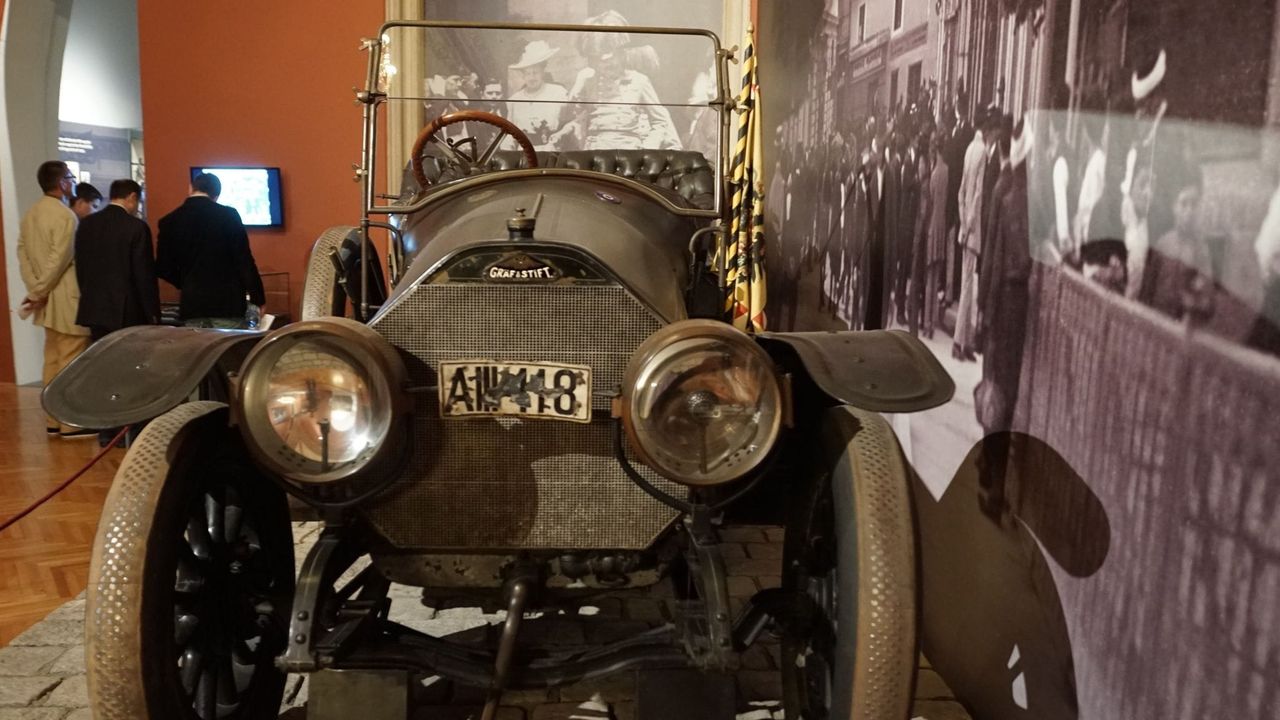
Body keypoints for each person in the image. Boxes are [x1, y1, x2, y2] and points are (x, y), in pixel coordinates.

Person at [16, 160, 92, 438]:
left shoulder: (31, 214)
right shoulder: (65, 216)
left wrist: (35, 289)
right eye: (69, 178)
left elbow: (22, 255)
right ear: (61, 183)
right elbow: (59, 260)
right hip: (66, 299)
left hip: (46, 302)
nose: (72, 182)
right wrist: (40, 291)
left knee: (51, 359)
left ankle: (52, 420)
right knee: (72, 359)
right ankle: (71, 423)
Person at [553, 11, 681, 151]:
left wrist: (647, 148)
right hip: (594, 150)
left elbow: (660, 120)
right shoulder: (588, 81)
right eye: (598, 61)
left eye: (609, 60)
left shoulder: (639, 81)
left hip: (629, 151)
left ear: (620, 55)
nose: (604, 66)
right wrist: (577, 88)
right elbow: (573, 117)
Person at [156, 172, 265, 328]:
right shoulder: (229, 215)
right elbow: (244, 261)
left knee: (199, 351)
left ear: (190, 188)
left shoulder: (169, 221)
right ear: (216, 194)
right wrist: (258, 297)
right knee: (228, 350)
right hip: (228, 303)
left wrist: (186, 282)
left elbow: (163, 267)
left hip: (193, 304)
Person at [74, 179, 159, 341]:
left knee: (100, 360)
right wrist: (152, 314)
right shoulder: (136, 227)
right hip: (128, 311)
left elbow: (81, 268)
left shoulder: (87, 224)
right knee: (128, 360)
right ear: (132, 197)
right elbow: (144, 275)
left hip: (94, 308)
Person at [953, 111, 989, 361]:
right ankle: (959, 342)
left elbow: (962, 190)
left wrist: (962, 217)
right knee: (967, 284)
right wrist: (969, 225)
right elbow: (977, 193)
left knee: (967, 282)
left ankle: (963, 342)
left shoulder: (968, 149)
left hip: (966, 225)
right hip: (972, 229)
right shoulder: (984, 152)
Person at [506, 41, 568, 149]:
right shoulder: (515, 100)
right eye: (528, 73)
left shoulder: (558, 93)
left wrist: (560, 135)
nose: (532, 78)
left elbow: (571, 122)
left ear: (543, 72)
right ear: (523, 75)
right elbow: (509, 131)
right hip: (524, 152)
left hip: (550, 149)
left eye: (536, 72)